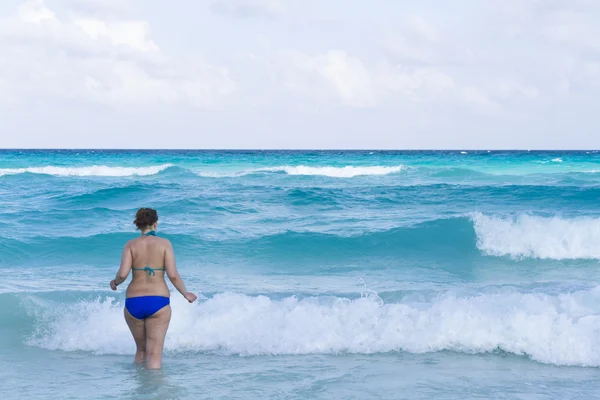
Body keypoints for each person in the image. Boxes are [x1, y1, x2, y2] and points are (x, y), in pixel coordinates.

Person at [110, 208, 197, 369]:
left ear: (138, 224)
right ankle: (153, 391)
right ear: (155, 223)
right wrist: (186, 294)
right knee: (154, 354)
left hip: (133, 303)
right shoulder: (164, 244)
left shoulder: (130, 245)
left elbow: (122, 274)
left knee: (141, 351)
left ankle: (140, 389)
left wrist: (115, 282)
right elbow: (173, 275)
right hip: (158, 302)